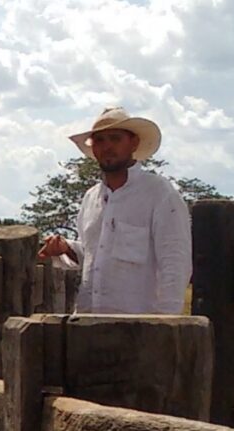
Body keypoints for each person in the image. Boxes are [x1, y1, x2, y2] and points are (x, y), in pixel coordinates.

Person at [37, 107, 191, 314]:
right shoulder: (91, 198)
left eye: (115, 139)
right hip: (88, 322)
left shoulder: (159, 193)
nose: (107, 146)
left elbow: (174, 261)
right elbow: (93, 255)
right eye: (99, 140)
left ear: (133, 142)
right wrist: (66, 248)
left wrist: (166, 323)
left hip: (139, 326)